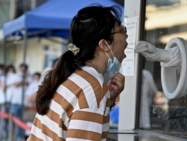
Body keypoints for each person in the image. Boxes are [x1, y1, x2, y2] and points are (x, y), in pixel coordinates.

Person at [28, 5, 127, 141]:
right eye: (122, 30)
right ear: (104, 45)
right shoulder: (92, 87)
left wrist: (107, 101)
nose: (126, 36)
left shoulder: (72, 74)